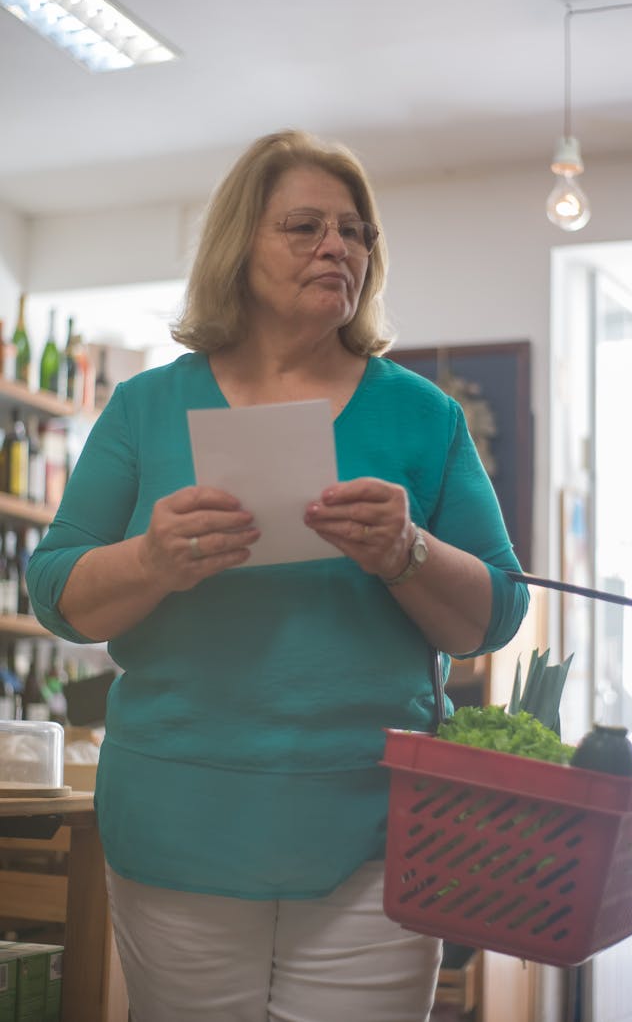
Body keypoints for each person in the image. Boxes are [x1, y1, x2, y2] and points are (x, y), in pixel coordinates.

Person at [27, 129, 529, 1022]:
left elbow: (492, 616)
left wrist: (406, 552)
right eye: (304, 226)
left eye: (356, 231)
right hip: (178, 830)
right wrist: (149, 558)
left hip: (375, 842)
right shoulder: (149, 404)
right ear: (237, 249)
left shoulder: (426, 416)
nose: (339, 245)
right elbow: (55, 590)